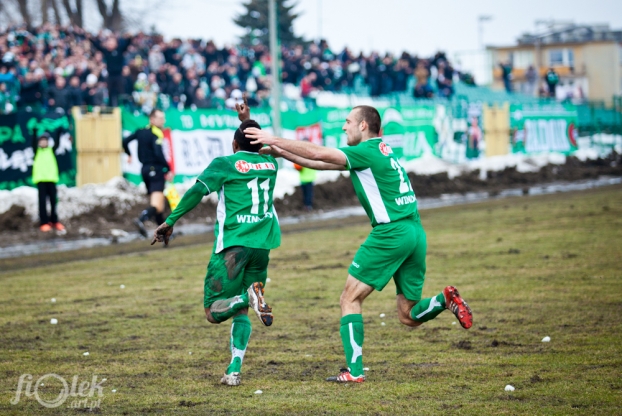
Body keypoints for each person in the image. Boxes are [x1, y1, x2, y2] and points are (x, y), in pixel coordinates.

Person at [245, 105, 473, 383]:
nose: (344, 127)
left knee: (349, 299)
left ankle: (354, 372)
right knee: (408, 315)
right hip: (414, 232)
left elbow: (318, 152)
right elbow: (320, 163)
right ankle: (445, 299)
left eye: (348, 121)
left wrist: (273, 139)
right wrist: (281, 152)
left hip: (391, 233)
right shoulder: (380, 151)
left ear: (363, 126)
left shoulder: (366, 151)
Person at [151, 97, 280, 386]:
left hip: (233, 244)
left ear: (234, 146)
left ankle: (246, 296)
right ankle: (234, 370)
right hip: (263, 245)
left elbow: (197, 192)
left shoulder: (225, 164)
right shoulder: (270, 163)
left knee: (213, 310)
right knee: (242, 310)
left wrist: (170, 221)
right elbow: (263, 147)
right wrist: (247, 121)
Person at [122, 109, 172, 237]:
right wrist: (168, 168)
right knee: (156, 205)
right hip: (156, 171)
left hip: (144, 171)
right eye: (160, 118)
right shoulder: (156, 133)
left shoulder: (140, 131)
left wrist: (129, 154)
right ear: (152, 119)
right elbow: (158, 153)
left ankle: (165, 234)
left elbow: (125, 141)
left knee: (159, 206)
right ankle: (142, 219)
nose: (163, 121)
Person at [32, 132, 65, 232]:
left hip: (51, 180)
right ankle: (44, 222)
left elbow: (57, 143)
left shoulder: (51, 150)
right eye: (41, 141)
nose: (43, 143)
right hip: (41, 180)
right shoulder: (37, 151)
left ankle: (54, 221)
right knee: (42, 202)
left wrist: (57, 132)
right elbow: (32, 142)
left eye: (45, 141)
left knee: (53, 201)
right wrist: (34, 132)